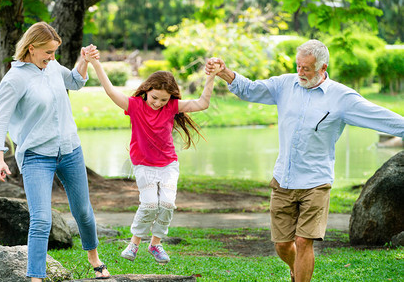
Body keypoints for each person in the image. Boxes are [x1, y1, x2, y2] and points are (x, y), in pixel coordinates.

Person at [205, 39, 404, 282]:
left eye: (307, 68)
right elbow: (250, 89)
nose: (300, 72)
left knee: (303, 240)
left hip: (316, 181)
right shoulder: (284, 84)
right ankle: (296, 267)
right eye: (298, 66)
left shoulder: (341, 98)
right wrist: (225, 72)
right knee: (282, 245)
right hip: (283, 179)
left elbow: (380, 117)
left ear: (323, 68)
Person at [0, 22, 110, 281]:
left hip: (70, 150)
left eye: (55, 52)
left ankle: (94, 259)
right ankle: (36, 278)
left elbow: (75, 82)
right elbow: (0, 119)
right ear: (31, 48)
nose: (52, 58)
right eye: (48, 52)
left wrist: (84, 60)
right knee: (41, 220)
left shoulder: (53, 67)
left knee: (83, 212)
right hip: (35, 156)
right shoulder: (14, 79)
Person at [85, 50, 221, 264]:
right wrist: (95, 63)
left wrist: (211, 76)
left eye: (163, 99)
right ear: (146, 90)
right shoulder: (135, 105)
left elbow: (202, 103)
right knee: (149, 205)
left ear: (170, 98)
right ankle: (134, 243)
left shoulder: (171, 107)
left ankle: (155, 244)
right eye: (155, 97)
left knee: (167, 205)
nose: (158, 103)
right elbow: (111, 92)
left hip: (168, 165)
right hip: (143, 165)